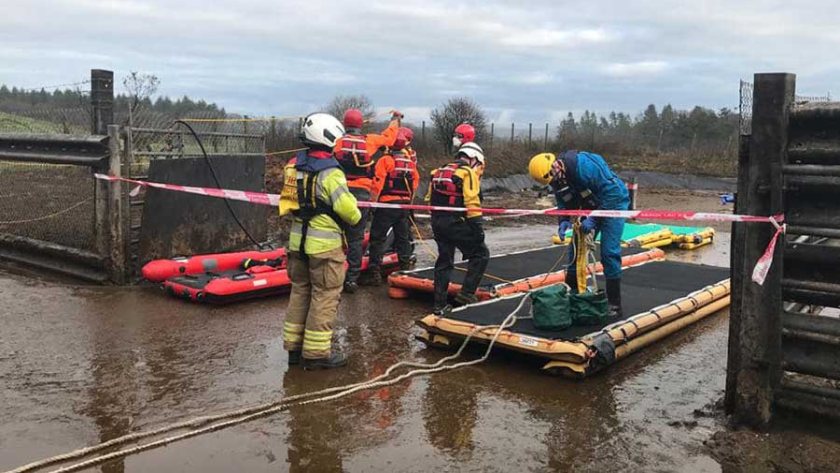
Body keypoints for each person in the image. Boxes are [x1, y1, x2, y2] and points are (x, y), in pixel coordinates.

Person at [278, 112, 361, 370]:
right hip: (324, 246)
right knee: (324, 296)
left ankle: (294, 350)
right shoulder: (331, 172)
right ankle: (316, 355)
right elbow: (350, 211)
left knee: (300, 292)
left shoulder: (292, 166)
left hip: (297, 242)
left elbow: (289, 202)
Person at [528, 151, 630, 318]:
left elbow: (613, 194)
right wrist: (563, 221)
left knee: (609, 253)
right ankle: (573, 296)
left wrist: (593, 218)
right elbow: (563, 200)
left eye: (554, 178)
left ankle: (615, 304)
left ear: (556, 166)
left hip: (614, 205)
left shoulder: (585, 166)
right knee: (575, 252)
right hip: (589, 206)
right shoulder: (555, 178)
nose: (554, 182)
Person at [333, 109, 403, 293]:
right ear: (360, 124)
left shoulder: (337, 142)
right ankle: (351, 279)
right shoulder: (369, 141)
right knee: (355, 237)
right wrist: (395, 120)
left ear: (344, 123)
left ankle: (332, 274)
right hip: (362, 194)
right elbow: (388, 138)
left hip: (339, 191)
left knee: (335, 233)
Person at [426, 141, 489, 315]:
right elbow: (472, 203)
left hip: (437, 222)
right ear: (473, 159)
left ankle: (439, 305)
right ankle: (466, 294)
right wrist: (478, 230)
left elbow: (429, 199)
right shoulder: (467, 172)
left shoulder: (438, 172)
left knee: (444, 261)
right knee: (481, 253)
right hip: (455, 222)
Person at [364, 127, 420, 284]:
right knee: (402, 238)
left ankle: (374, 272)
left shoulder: (385, 161)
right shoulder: (410, 163)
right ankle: (405, 268)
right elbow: (415, 185)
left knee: (378, 238)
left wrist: (372, 205)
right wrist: (409, 204)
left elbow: (377, 185)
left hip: (387, 205)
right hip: (403, 206)